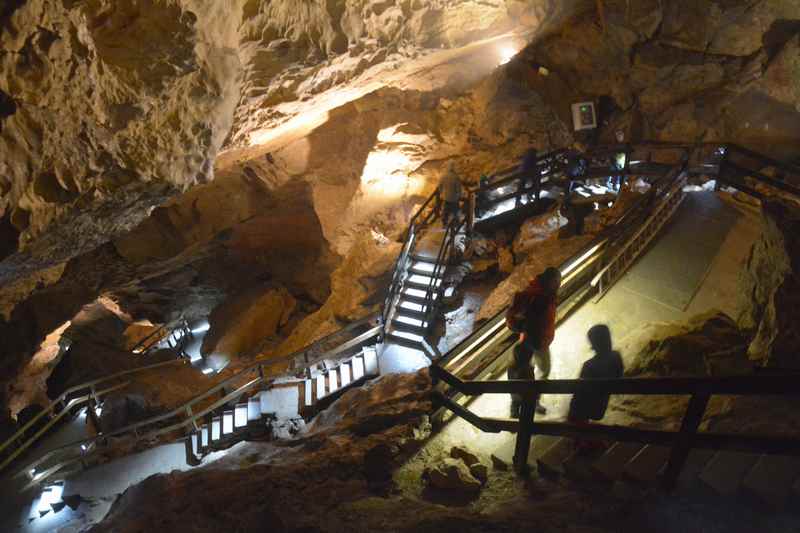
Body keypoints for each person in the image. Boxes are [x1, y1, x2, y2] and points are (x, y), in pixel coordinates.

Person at [507, 267, 561, 418]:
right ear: (549, 281)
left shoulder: (547, 294)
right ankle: (522, 403)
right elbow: (515, 316)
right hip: (533, 341)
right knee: (526, 373)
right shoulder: (534, 296)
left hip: (539, 341)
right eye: (556, 282)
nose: (558, 284)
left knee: (529, 372)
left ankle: (525, 402)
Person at [568, 324, 624, 452]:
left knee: (575, 414)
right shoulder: (616, 357)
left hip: (588, 407)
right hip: (601, 402)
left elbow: (579, 393)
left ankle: (583, 442)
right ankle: (586, 440)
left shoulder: (589, 366)